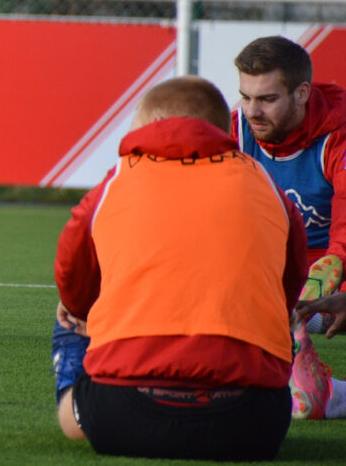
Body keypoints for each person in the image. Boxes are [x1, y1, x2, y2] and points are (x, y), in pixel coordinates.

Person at [53, 75, 308, 461]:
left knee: (68, 317)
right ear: (223, 128)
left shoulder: (115, 181)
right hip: (250, 423)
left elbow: (72, 278)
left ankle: (72, 405)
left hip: (122, 414)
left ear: (148, 123)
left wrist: (85, 312)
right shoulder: (266, 185)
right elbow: (290, 282)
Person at [233, 35, 346, 418]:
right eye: (245, 97)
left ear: (301, 93)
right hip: (272, 270)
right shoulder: (234, 130)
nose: (252, 111)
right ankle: (318, 385)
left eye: (266, 99)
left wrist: (325, 288)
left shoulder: (338, 135)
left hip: (333, 265)